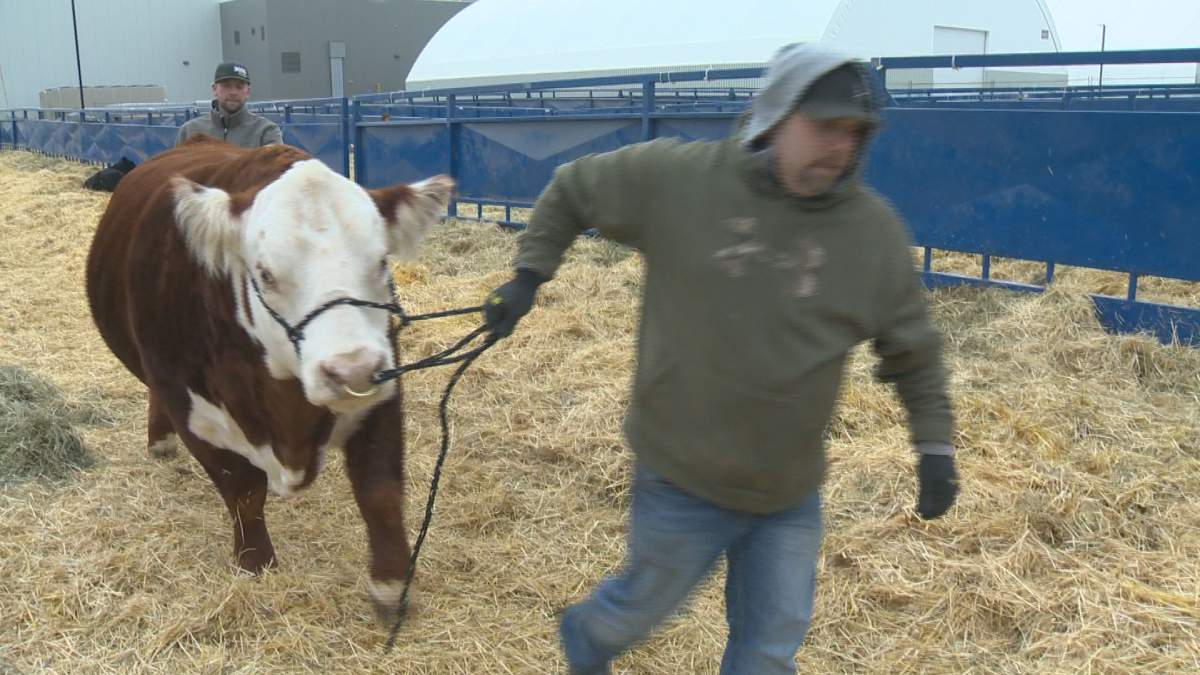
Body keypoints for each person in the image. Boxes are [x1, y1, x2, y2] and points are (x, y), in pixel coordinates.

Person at [482, 43, 960, 674]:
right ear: (775, 115)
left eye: (854, 132)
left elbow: (914, 351)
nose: (839, 147)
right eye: (823, 126)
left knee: (768, 649)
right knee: (634, 613)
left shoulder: (870, 234)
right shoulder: (681, 181)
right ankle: (587, 635)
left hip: (788, 491)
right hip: (683, 477)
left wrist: (934, 448)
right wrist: (528, 275)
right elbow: (574, 187)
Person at [175, 62, 282, 148]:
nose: (233, 92)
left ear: (248, 92)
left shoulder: (266, 131)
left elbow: (274, 171)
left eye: (239, 87)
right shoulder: (190, 131)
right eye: (226, 86)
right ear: (214, 89)